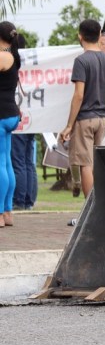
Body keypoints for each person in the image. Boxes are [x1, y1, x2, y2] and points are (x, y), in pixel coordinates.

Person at [60, 19, 105, 200]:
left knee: (85, 164)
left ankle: (90, 210)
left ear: (80, 36)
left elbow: (78, 95)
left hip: (85, 118)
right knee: (94, 164)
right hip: (103, 119)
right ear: (100, 35)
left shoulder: (81, 61)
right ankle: (97, 206)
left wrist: (69, 125)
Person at [11, 34, 36, 210]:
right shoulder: (34, 62)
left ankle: (19, 200)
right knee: (28, 160)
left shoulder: (11, 62)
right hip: (36, 117)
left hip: (18, 116)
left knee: (18, 160)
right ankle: (29, 200)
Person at [0, 21, 22, 227]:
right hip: (11, 114)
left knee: (1, 164)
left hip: (1, 114)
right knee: (5, 163)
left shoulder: (2, 56)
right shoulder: (13, 56)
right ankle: (7, 213)